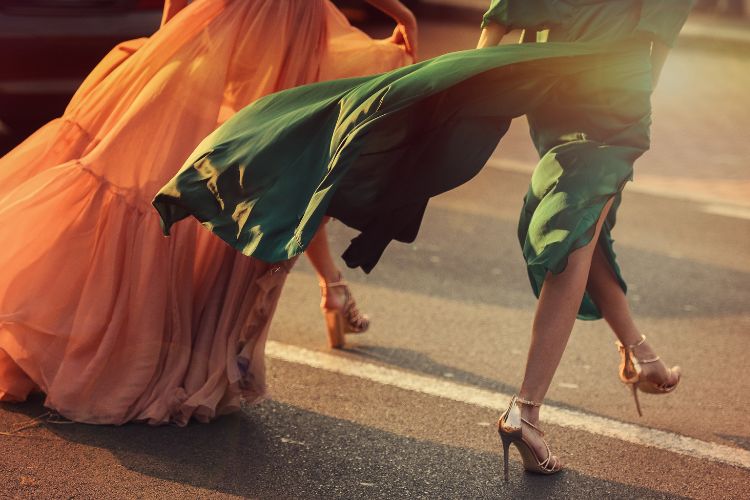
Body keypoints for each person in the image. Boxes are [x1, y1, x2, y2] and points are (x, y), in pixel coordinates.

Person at [154, 0, 690, 474]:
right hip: (615, 92)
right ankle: (525, 411)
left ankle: (640, 355)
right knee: (575, 228)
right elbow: (656, 45)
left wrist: (470, 79)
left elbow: (504, 16)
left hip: (554, 88)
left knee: (587, 220)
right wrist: (630, 109)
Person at [0, 0, 416, 425]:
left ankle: (138, 346)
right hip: (286, 32)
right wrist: (402, 15)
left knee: (226, 174)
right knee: (266, 175)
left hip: (242, 24)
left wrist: (168, 37)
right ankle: (190, 352)